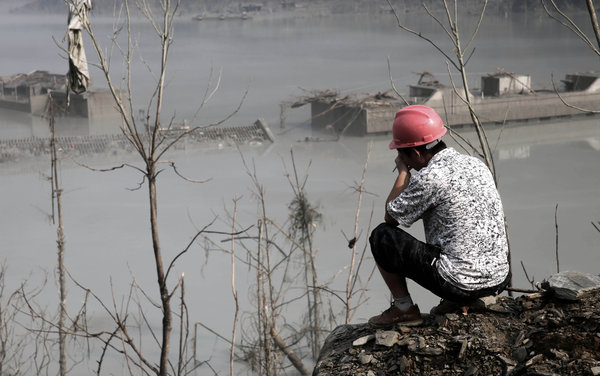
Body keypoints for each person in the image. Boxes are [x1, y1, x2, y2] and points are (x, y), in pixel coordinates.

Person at [368, 105, 511, 328]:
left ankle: (404, 309)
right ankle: (460, 301)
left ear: (414, 153)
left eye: (401, 154)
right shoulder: (476, 164)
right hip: (498, 278)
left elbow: (391, 216)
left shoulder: (430, 177)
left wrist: (403, 173)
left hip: (460, 283)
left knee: (381, 236)